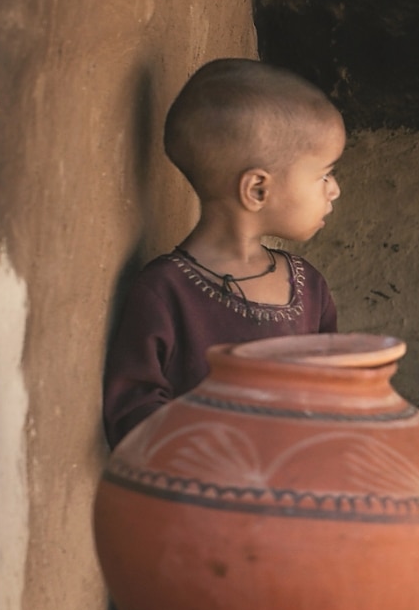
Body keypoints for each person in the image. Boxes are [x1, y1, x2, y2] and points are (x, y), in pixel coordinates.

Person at [102, 59, 343, 448]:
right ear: (258, 190)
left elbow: (337, 394)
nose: (334, 190)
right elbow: (132, 416)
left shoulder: (311, 289)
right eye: (323, 175)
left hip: (298, 497)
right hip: (203, 503)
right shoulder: (163, 293)